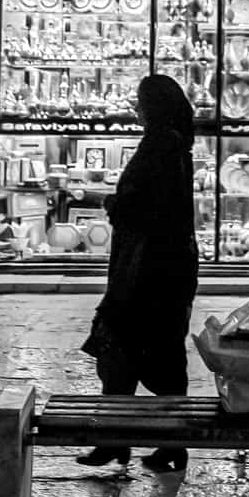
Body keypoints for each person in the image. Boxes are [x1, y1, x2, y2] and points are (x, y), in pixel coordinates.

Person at [79, 73, 198, 472]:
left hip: (151, 268)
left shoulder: (162, 145)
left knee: (135, 348)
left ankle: (148, 441)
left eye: (140, 102)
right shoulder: (173, 142)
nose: (136, 109)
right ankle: (128, 439)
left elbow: (152, 207)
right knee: (137, 350)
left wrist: (116, 203)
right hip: (159, 264)